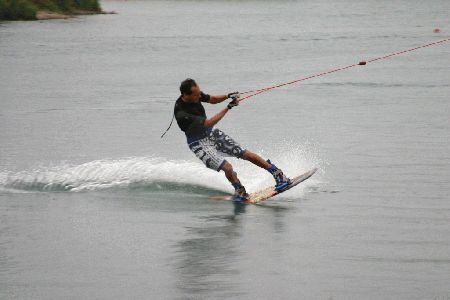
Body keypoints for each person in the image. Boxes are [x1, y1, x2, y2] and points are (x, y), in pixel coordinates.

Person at [174, 78, 290, 202]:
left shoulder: (195, 95)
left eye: (199, 93)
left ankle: (278, 174)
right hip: (198, 143)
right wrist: (228, 107)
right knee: (228, 168)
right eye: (196, 95)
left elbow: (211, 99)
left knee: (244, 153)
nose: (199, 96)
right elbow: (208, 123)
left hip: (211, 133)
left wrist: (228, 96)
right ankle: (240, 191)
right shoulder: (182, 113)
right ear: (186, 95)